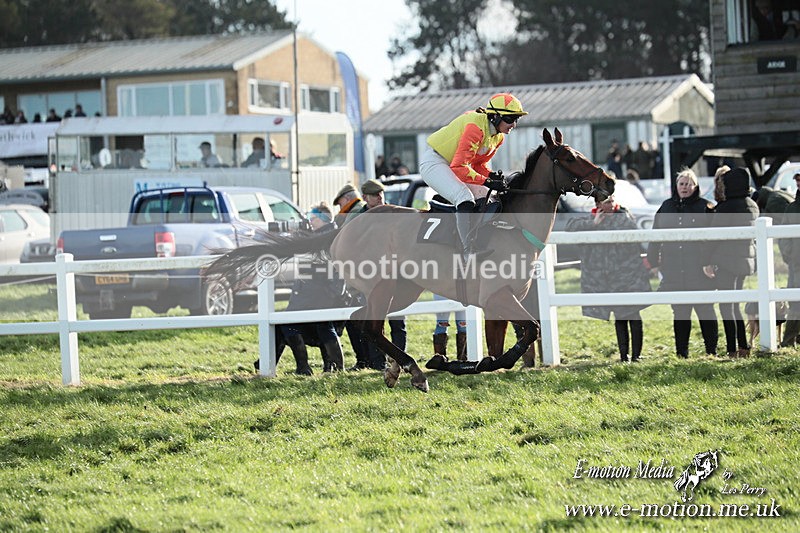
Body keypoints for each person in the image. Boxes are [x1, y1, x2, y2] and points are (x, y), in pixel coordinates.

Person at [419, 92, 526, 258]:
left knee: (488, 196)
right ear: (496, 117)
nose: (514, 125)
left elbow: (477, 164)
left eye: (516, 119)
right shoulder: (475, 127)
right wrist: (487, 181)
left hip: (452, 164)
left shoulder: (498, 138)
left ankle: (478, 239)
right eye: (511, 119)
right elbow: (459, 167)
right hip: (435, 162)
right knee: (464, 197)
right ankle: (467, 250)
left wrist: (492, 176)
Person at [567, 195, 651, 362]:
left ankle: (636, 355)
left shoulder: (624, 217)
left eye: (612, 201)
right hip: (608, 279)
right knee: (619, 318)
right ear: (598, 204)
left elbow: (632, 235)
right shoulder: (590, 219)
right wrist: (593, 223)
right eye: (606, 202)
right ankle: (623, 356)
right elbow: (570, 229)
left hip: (627, 276)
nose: (611, 205)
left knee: (633, 315)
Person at [647, 168, 719, 358]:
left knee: (705, 309)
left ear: (695, 187)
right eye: (681, 183)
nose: (685, 187)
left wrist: (711, 263)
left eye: (689, 184)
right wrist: (653, 261)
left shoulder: (706, 207)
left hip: (699, 268)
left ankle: (711, 351)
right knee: (680, 311)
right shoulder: (666, 206)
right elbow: (655, 236)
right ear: (676, 186)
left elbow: (715, 240)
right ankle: (682, 354)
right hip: (673, 269)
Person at [344, 178, 407, 369]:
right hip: (369, 276)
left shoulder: (393, 212)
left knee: (397, 321)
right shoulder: (356, 218)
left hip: (395, 272)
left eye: (381, 194)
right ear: (365, 197)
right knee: (373, 320)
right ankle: (377, 362)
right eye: (375, 195)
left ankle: (400, 359)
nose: (380, 198)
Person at [279, 203, 346, 374]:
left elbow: (325, 265)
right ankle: (329, 367)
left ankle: (307, 367)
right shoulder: (322, 234)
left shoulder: (328, 236)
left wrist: (331, 292)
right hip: (316, 291)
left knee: (316, 327)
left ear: (323, 219)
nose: (310, 222)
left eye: (313, 218)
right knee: (322, 328)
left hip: (320, 292)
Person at [703, 166, 759, 357]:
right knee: (734, 305)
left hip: (728, 263)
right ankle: (743, 346)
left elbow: (713, 237)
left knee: (727, 306)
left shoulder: (727, 208)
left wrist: (707, 261)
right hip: (745, 262)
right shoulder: (752, 204)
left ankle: (732, 349)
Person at [779, 173, 800, 346]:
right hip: (797, 262)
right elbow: (783, 234)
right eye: (798, 180)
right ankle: (788, 341)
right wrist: (789, 254)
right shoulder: (792, 207)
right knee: (795, 302)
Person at [432, 293, 467, 360]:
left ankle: (463, 358)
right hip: (442, 290)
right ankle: (439, 358)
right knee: (442, 324)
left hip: (461, 290)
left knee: (463, 325)